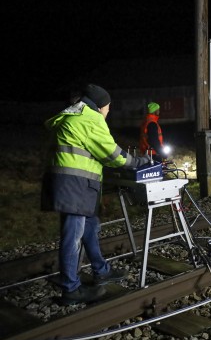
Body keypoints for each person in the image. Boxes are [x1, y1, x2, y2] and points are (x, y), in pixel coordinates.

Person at [41, 84, 151, 305]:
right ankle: (70, 289)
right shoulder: (90, 119)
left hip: (71, 185)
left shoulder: (72, 116)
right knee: (72, 238)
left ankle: (101, 270)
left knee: (90, 227)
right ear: (100, 106)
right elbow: (113, 155)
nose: (108, 112)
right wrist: (140, 162)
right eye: (108, 107)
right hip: (76, 187)